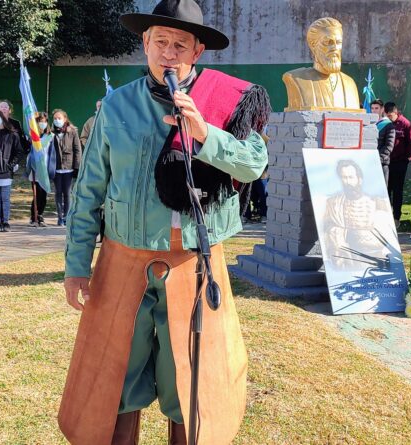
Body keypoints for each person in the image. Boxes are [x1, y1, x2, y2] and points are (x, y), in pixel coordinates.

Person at [58, 0, 270, 443]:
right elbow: (88, 192)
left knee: (192, 381)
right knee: (113, 376)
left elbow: (254, 165)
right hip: (122, 262)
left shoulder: (224, 101)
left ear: (197, 52)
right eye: (160, 42)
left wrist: (205, 134)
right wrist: (77, 266)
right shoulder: (116, 106)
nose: (168, 53)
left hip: (193, 263)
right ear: (145, 43)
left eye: (180, 45)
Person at [324, 159, 393, 269]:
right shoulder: (333, 204)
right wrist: (343, 234)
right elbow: (327, 228)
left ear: (359, 179)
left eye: (351, 177)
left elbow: (385, 236)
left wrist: (356, 236)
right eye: (344, 177)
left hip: (373, 261)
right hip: (345, 262)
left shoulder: (376, 203)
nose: (347, 182)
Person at [50, 109, 82, 226]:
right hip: (56, 167)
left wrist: (77, 166)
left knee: (67, 193)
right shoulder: (51, 133)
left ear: (65, 119)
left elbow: (77, 149)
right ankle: (59, 217)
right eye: (55, 118)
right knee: (58, 193)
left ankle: (67, 216)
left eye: (59, 118)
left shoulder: (72, 132)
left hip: (68, 167)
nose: (57, 120)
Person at [29, 112, 54, 227]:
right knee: (36, 193)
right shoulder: (33, 136)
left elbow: (52, 152)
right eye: (40, 121)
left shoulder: (50, 136)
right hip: (35, 168)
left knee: (43, 194)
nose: (42, 123)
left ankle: (40, 215)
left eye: (44, 121)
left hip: (45, 168)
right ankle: (33, 216)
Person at [372, 99, 395, 184]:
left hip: (381, 163)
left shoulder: (388, 125)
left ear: (382, 109)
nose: (374, 110)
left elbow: (389, 146)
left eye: (376, 108)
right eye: (372, 108)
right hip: (369, 162)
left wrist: (378, 158)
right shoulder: (369, 124)